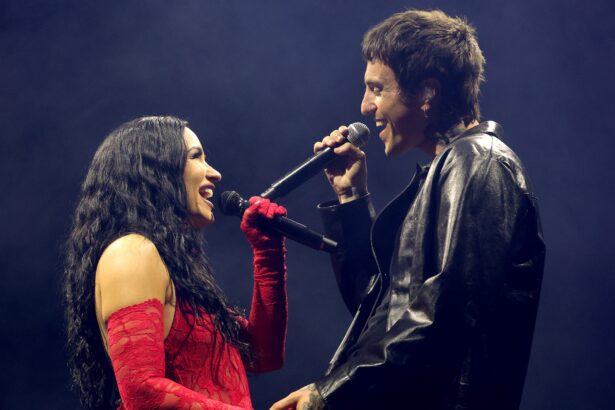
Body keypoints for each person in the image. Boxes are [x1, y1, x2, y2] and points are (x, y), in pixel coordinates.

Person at [271, 9, 545, 410]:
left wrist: (331, 392)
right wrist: (351, 199)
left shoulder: (479, 163)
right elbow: (380, 311)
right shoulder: (450, 168)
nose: (365, 106)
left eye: (377, 89)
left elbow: (446, 313)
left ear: (427, 93)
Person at [64, 116, 288, 409]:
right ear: (154, 170)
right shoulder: (131, 252)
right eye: (196, 157)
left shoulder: (176, 267)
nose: (215, 173)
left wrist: (268, 253)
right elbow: (142, 392)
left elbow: (263, 355)